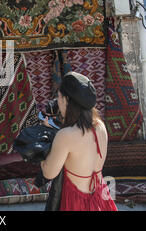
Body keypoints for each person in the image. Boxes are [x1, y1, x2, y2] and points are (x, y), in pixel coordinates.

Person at [40, 71, 117, 211]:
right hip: (100, 199)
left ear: (66, 100)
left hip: (76, 203)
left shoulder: (65, 135)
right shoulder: (100, 125)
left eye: (59, 97)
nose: (58, 101)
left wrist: (41, 145)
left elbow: (48, 173)